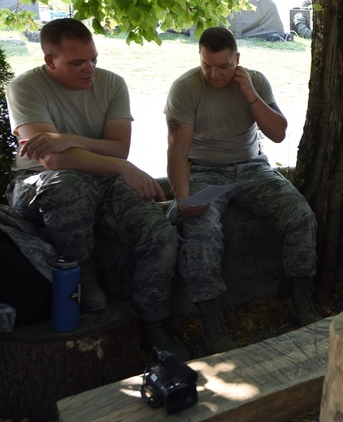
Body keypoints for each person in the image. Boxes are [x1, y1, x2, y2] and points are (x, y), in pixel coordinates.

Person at [5, 19, 183, 356]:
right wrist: (118, 166)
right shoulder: (24, 88)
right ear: (49, 61)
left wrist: (67, 139)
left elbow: (119, 146)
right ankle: (80, 271)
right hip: (36, 184)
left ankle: (151, 323)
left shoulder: (111, 84)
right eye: (77, 63)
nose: (89, 69)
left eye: (93, 60)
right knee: (68, 184)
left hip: (99, 179)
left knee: (159, 232)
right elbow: (52, 161)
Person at [165, 26, 319, 354]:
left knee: (300, 215)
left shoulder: (255, 81)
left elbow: (278, 133)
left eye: (223, 66)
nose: (214, 74)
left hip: (251, 168)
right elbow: (177, 150)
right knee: (200, 230)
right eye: (207, 65)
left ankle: (300, 300)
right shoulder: (185, 88)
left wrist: (250, 93)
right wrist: (182, 198)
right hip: (205, 171)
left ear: (238, 59)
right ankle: (211, 323)